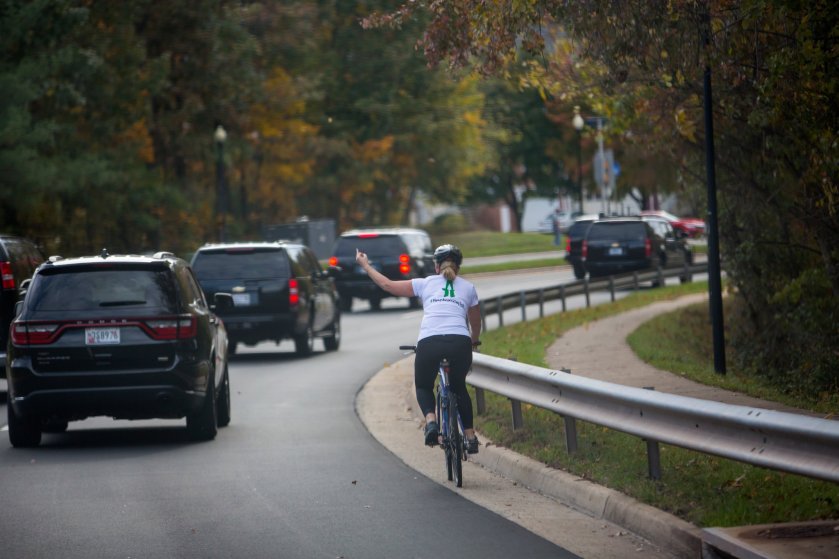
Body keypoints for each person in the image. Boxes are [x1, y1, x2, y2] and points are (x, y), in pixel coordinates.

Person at [355, 243, 482, 453]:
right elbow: (475, 323)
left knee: (423, 385)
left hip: (429, 342)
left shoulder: (425, 284)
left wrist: (365, 265)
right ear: (458, 266)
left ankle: (431, 422)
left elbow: (387, 285)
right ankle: (470, 437)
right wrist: (473, 341)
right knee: (459, 387)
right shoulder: (468, 288)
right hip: (459, 342)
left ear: (436, 266)